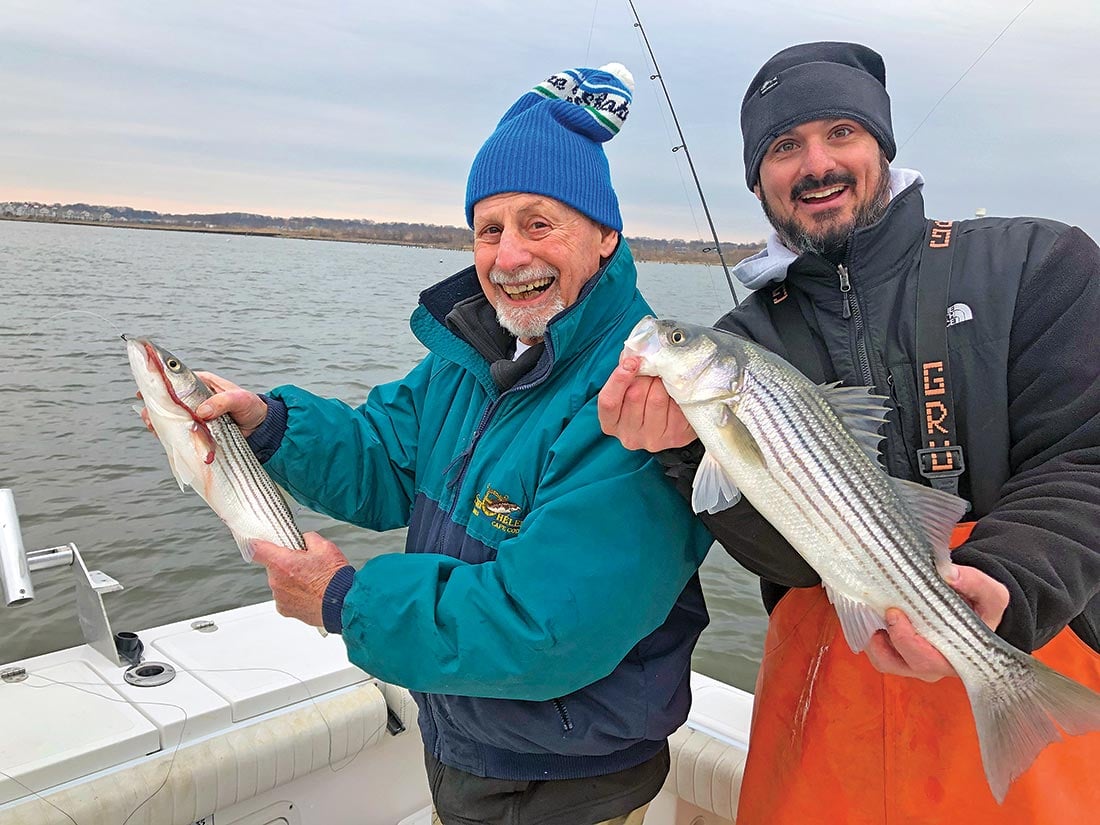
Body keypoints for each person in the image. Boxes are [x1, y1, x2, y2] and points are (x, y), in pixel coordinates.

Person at [188, 63, 713, 825]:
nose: (508, 257)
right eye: (489, 229)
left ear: (604, 236)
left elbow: (542, 628)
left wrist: (344, 600)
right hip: (469, 745)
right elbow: (382, 455)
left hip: (568, 781)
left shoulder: (638, 398)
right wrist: (269, 425)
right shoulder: (475, 356)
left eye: (539, 223)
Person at [598, 41, 1100, 824]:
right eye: (783, 147)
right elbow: (790, 560)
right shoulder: (748, 335)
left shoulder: (1040, 264)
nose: (815, 164)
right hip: (830, 721)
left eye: (841, 133)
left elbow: (1088, 459)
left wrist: (1004, 578)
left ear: (881, 146)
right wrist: (684, 445)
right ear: (757, 177)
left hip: (1027, 641)